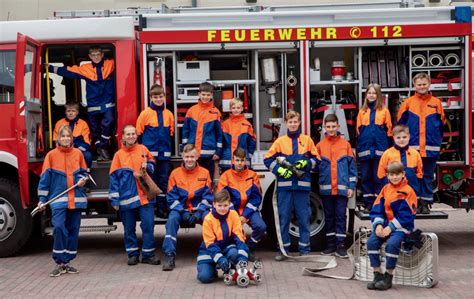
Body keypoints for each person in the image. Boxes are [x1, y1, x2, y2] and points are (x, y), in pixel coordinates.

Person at [264, 111, 319, 260]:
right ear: (286, 123)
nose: (293, 124)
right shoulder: (280, 142)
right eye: (290, 122)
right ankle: (283, 250)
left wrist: (306, 163)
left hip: (302, 187)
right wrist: (280, 170)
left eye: (295, 121)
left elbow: (316, 159)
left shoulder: (307, 140)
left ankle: (305, 249)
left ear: (299, 122)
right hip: (285, 187)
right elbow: (268, 160)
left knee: (304, 217)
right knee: (284, 218)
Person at [37, 125, 88, 277]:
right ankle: (59, 261)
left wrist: (82, 180)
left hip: (76, 200)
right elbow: (45, 180)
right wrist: (42, 199)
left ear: (72, 138)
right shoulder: (51, 156)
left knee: (73, 231)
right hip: (58, 200)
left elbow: (83, 173)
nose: (66, 139)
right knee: (59, 228)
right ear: (58, 138)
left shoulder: (78, 153)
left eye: (68, 136)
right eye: (63, 136)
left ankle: (67, 263)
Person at [48, 46, 115, 161]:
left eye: (98, 54)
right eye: (93, 55)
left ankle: (102, 147)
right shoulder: (85, 68)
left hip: (107, 104)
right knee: (95, 130)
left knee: (108, 122)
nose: (96, 57)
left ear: (102, 55)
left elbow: (126, 58)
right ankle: (100, 150)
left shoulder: (111, 64)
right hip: (93, 106)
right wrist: (47, 67)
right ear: (89, 56)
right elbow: (68, 71)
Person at [109, 125, 160, 266]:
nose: (131, 136)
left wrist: (148, 167)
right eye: (128, 134)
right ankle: (132, 254)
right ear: (123, 137)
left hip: (145, 196)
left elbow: (152, 163)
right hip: (126, 197)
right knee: (129, 228)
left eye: (133, 134)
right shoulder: (118, 155)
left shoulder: (143, 149)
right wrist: (114, 198)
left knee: (148, 225)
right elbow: (113, 178)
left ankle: (148, 255)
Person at [397, 72, 445, 214]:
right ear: (414, 85)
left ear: (429, 84)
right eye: (419, 84)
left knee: (428, 176)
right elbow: (400, 124)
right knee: (412, 176)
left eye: (424, 84)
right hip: (412, 148)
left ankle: (425, 204)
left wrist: (437, 141)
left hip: (430, 147)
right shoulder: (408, 103)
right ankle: (414, 203)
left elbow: (441, 125)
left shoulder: (436, 103)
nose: (422, 86)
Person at [162, 144, 214, 271]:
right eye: (187, 157)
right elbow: (171, 198)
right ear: (182, 157)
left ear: (197, 157)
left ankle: (212, 252)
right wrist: (182, 212)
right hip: (180, 210)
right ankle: (169, 255)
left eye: (192, 156)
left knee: (210, 219)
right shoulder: (175, 174)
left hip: (199, 210)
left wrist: (200, 211)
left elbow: (208, 197)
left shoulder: (205, 173)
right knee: (172, 220)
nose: (190, 159)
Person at [367, 161, 417, 291]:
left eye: (397, 174)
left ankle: (388, 276)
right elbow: (377, 208)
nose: (394, 177)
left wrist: (390, 228)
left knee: (392, 244)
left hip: (401, 227)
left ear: (403, 174)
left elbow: (406, 216)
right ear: (387, 176)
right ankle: (377, 275)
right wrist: (378, 225)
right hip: (385, 226)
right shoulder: (385, 189)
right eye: (391, 174)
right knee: (371, 242)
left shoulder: (408, 192)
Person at [317, 114, 357, 258]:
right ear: (324, 128)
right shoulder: (320, 146)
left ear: (338, 127)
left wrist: (351, 186)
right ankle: (330, 245)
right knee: (329, 217)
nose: (331, 129)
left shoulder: (345, 145)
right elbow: (316, 167)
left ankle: (341, 246)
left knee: (340, 216)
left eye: (333, 126)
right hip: (326, 189)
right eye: (328, 127)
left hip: (342, 189)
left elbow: (352, 169)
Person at [217, 148, 266, 260]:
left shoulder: (252, 175)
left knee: (261, 226)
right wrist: (235, 215)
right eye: (237, 160)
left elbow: (256, 198)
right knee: (232, 230)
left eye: (242, 160)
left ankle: (249, 248)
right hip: (231, 211)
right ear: (232, 161)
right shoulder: (226, 176)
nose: (240, 163)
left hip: (248, 210)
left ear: (246, 161)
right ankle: (236, 250)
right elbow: (223, 198)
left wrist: (245, 215)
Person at [196, 189, 250, 283]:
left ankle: (230, 268)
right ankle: (214, 270)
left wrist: (242, 257)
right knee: (204, 277)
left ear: (229, 204)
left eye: (225, 205)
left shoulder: (233, 215)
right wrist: (220, 259)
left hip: (227, 247)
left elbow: (239, 237)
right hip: (209, 251)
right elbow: (210, 244)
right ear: (214, 204)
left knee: (234, 253)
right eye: (219, 205)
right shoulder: (208, 219)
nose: (222, 208)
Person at [136, 84, 174, 205]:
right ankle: (151, 206)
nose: (158, 99)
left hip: (164, 155)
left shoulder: (169, 114)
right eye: (155, 97)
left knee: (163, 180)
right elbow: (139, 134)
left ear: (164, 97)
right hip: (149, 156)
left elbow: (171, 134)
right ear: (151, 97)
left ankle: (162, 207)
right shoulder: (145, 114)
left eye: (161, 96)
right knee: (150, 180)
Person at [356, 83, 392, 211]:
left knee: (379, 177)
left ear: (378, 95)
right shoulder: (362, 112)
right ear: (366, 95)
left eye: (374, 93)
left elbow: (389, 131)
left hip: (380, 150)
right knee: (366, 177)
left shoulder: (384, 111)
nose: (371, 95)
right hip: (365, 150)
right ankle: (368, 203)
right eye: (369, 93)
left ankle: (378, 203)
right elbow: (358, 132)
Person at [182, 82, 223, 180]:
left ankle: (208, 195)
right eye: (203, 94)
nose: (205, 97)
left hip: (208, 153)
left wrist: (218, 151)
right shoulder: (191, 111)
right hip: (192, 153)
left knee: (207, 178)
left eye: (208, 95)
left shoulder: (216, 112)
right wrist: (184, 148)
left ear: (212, 95)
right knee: (192, 178)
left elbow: (219, 134)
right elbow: (185, 131)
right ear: (199, 94)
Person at [378, 124, 423, 200]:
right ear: (394, 138)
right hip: (392, 192)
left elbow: (420, 173)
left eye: (404, 137)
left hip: (411, 192)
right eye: (398, 138)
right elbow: (381, 173)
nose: (401, 140)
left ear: (409, 137)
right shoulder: (387, 153)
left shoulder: (415, 154)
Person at [53, 101, 92, 170]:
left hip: (78, 149)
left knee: (88, 155)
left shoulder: (83, 124)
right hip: (62, 149)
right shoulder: (59, 123)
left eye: (73, 111)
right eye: (68, 111)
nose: (71, 113)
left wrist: (75, 149)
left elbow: (86, 143)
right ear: (65, 112)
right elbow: (56, 141)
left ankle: (85, 174)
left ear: (77, 112)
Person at [219, 98, 256, 171]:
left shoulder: (247, 124)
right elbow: (220, 142)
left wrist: (248, 155)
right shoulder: (225, 124)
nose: (236, 110)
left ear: (242, 108)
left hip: (242, 160)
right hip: (227, 160)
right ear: (230, 109)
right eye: (233, 108)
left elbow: (252, 142)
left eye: (238, 108)